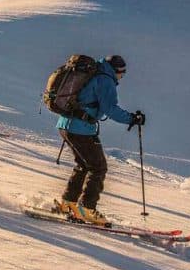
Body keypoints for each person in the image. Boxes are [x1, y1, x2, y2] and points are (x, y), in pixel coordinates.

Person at [54, 55, 144, 226]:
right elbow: (109, 109)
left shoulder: (95, 73)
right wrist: (132, 119)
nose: (121, 78)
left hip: (66, 124)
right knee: (98, 167)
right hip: (80, 128)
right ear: (117, 71)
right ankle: (86, 209)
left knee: (84, 165)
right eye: (122, 75)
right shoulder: (105, 80)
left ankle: (68, 204)